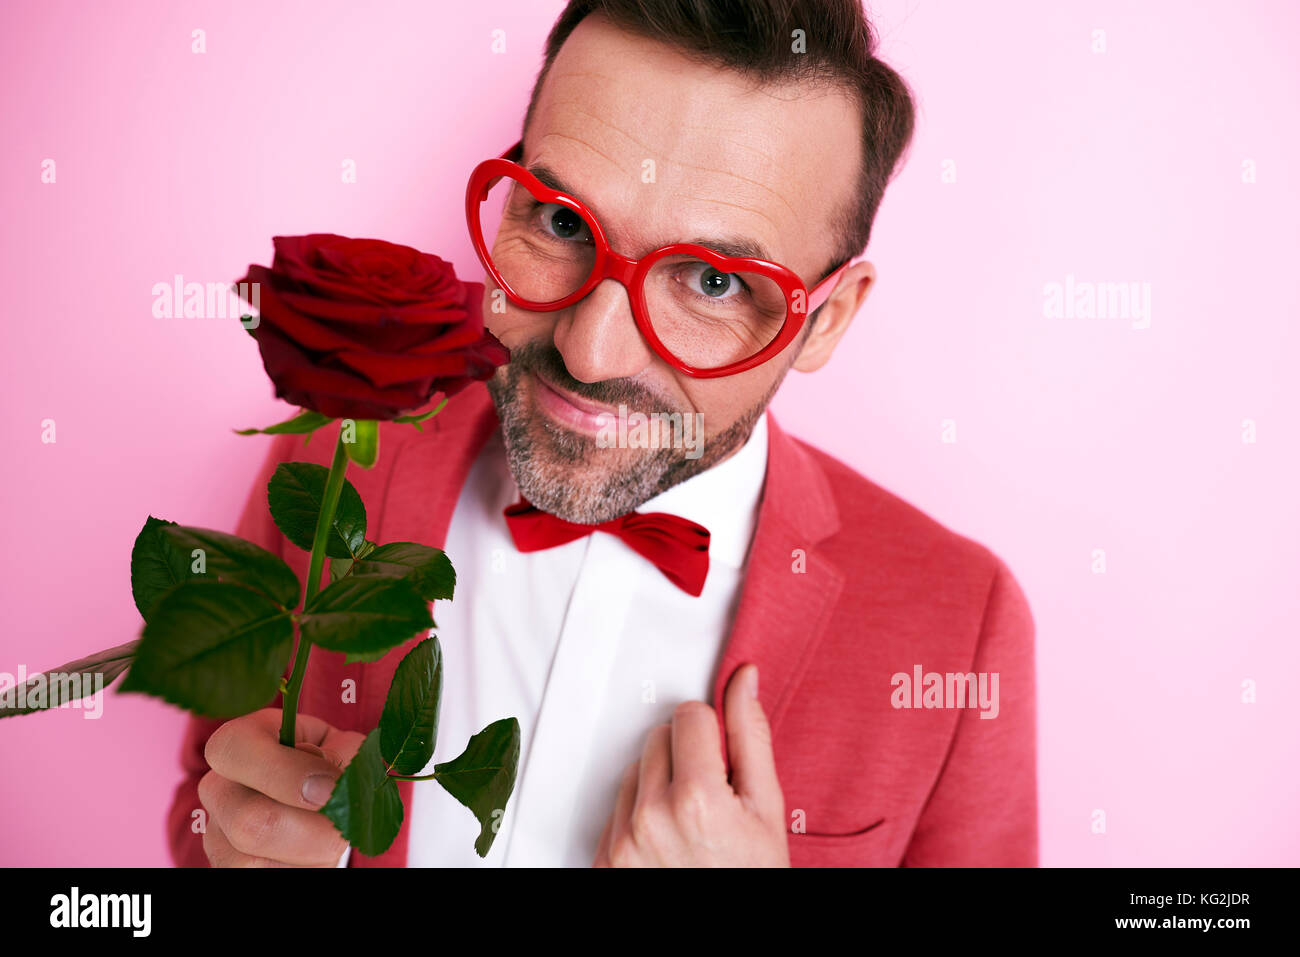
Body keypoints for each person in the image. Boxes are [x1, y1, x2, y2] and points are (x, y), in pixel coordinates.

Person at [171, 0, 1036, 868]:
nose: (588, 351)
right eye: (560, 222)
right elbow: (210, 801)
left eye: (712, 280)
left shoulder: (962, 628)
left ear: (828, 319)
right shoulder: (342, 445)